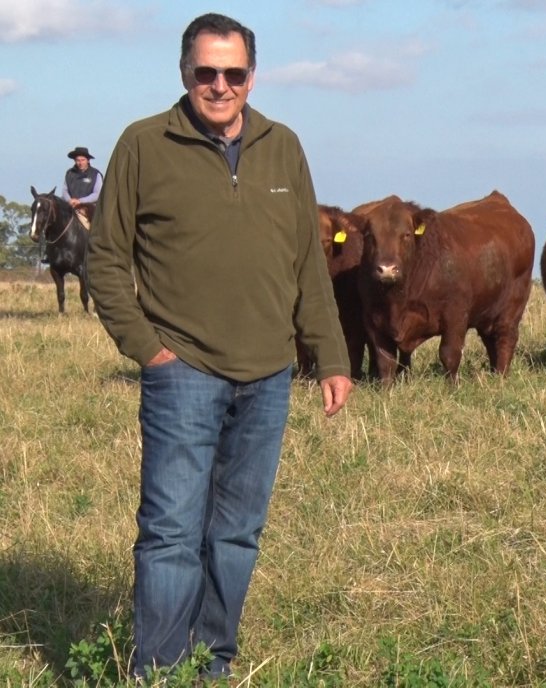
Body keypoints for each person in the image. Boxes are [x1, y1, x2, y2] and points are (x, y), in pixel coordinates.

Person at [87, 12, 354, 680]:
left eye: (233, 73)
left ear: (252, 77)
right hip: (184, 370)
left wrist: (332, 355)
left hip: (268, 375)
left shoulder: (283, 145)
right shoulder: (145, 145)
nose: (219, 85)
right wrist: (148, 349)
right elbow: (106, 260)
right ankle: (159, 671)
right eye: (206, 72)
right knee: (172, 534)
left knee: (235, 534)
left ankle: (211, 663)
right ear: (185, 74)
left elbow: (307, 264)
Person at [61, 146, 103, 227]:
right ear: (75, 161)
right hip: (71, 207)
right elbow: (64, 190)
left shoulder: (95, 174)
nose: (80, 163)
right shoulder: (69, 173)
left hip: (90, 209)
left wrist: (80, 201)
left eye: (83, 160)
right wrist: (70, 200)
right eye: (78, 160)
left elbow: (97, 194)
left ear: (88, 160)